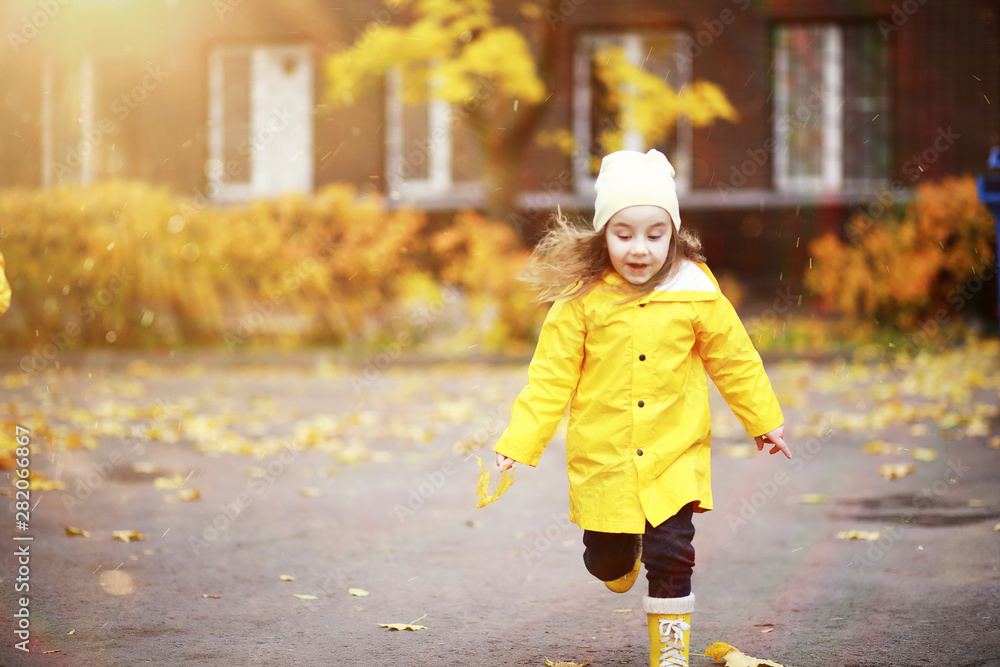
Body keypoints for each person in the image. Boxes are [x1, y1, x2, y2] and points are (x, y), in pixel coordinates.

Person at [493, 149, 790, 667]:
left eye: (655, 234)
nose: (639, 248)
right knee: (605, 559)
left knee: (673, 553)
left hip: (674, 455)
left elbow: (735, 359)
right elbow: (549, 378)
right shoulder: (582, 302)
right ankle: (616, 558)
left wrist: (764, 421)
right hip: (605, 458)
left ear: (673, 234)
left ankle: (669, 652)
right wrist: (518, 445)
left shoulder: (696, 293)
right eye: (623, 233)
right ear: (603, 235)